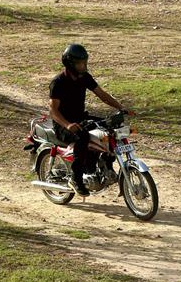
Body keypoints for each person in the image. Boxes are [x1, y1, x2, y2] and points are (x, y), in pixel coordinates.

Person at [49, 43, 129, 196]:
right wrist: (67, 124)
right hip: (63, 124)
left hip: (80, 118)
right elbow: (52, 110)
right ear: (70, 64)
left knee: (109, 127)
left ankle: (105, 165)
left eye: (85, 62)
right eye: (80, 63)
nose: (83, 66)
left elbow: (102, 94)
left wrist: (120, 107)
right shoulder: (58, 82)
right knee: (83, 136)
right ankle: (75, 178)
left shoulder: (84, 77)